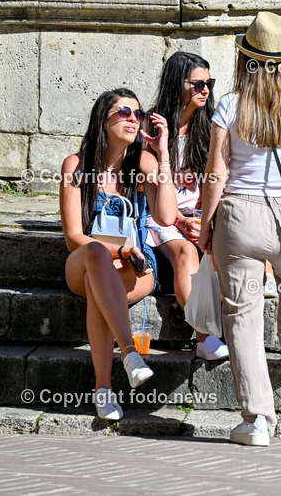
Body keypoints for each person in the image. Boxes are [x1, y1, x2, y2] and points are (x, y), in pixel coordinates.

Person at [198, 11, 281, 446]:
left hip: (238, 214)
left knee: (242, 317)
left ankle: (257, 420)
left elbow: (216, 172)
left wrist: (205, 225)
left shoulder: (230, 105)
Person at [59, 89, 177, 421]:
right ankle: (129, 354)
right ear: (103, 118)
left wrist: (163, 154)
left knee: (102, 287)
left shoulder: (143, 163)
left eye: (138, 114)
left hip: (135, 267)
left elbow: (167, 217)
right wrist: (119, 249)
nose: (132, 119)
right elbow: (73, 238)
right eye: (123, 111)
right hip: (85, 261)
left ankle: (103, 390)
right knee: (97, 254)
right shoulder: (77, 165)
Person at [145, 52, 228, 360]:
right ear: (177, 84)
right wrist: (180, 219)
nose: (205, 90)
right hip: (159, 216)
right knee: (184, 252)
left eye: (209, 83)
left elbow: (218, 182)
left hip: (198, 216)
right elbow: (146, 188)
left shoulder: (210, 127)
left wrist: (205, 222)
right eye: (197, 84)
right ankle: (204, 337)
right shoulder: (151, 127)